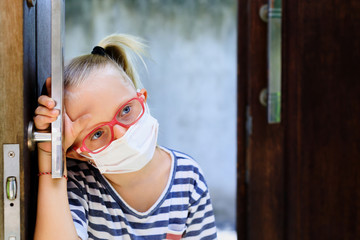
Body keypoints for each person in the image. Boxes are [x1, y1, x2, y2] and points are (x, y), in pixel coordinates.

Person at [33, 34, 217, 240]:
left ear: (143, 98)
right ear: (78, 154)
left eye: (126, 110)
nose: (122, 134)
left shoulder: (188, 179)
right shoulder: (79, 183)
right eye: (97, 133)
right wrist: (50, 152)